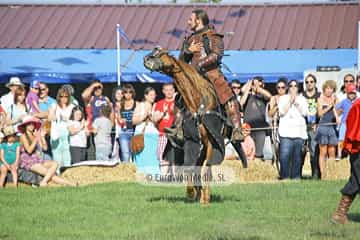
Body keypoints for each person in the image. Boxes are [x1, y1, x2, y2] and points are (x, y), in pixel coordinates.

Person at [178, 9, 243, 142]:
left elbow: (216, 55)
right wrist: (188, 51)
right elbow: (181, 61)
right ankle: (178, 127)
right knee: (180, 97)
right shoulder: (189, 39)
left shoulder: (213, 36)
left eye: (191, 19)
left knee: (227, 95)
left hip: (211, 74)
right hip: (193, 77)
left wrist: (199, 65)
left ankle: (237, 129)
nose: (188, 22)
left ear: (198, 20)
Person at [18, 116, 76, 187]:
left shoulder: (35, 135)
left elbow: (45, 148)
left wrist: (42, 137)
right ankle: (70, 184)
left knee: (55, 164)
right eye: (29, 124)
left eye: (32, 124)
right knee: (49, 173)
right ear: (25, 126)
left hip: (38, 160)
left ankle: (43, 182)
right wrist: (36, 138)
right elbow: (29, 150)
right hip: (28, 161)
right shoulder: (23, 136)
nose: (31, 126)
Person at [331, 98, 360, 224]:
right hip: (358, 149)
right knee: (356, 179)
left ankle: (340, 214)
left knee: (355, 180)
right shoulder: (358, 105)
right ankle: (340, 214)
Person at [278, 80, 308, 179]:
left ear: (298, 87)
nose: (293, 87)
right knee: (284, 157)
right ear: (288, 87)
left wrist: (296, 102)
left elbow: (304, 113)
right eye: (291, 86)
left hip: (299, 133)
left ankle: (296, 177)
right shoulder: (282, 98)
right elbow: (281, 112)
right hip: (285, 133)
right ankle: (285, 177)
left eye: (295, 86)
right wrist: (290, 101)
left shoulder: (303, 99)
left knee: (297, 158)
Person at [240, 76, 272, 159]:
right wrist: (249, 85)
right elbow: (241, 102)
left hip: (260, 130)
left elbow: (269, 96)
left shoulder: (263, 96)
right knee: (246, 154)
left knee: (258, 153)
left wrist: (258, 88)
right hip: (247, 130)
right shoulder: (247, 96)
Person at [132, 87, 160, 174]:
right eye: (151, 95)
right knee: (142, 156)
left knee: (153, 157)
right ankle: (142, 174)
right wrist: (145, 115)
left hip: (153, 135)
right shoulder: (141, 105)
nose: (153, 97)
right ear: (146, 96)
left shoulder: (155, 106)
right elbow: (134, 121)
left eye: (154, 95)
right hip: (142, 135)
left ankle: (154, 175)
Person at [315, 80, 340, 178]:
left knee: (332, 151)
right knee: (323, 152)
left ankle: (332, 174)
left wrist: (335, 107)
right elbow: (320, 113)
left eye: (331, 89)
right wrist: (329, 106)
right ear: (324, 89)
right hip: (323, 126)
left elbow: (338, 112)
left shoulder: (335, 98)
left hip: (332, 126)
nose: (329, 91)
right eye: (327, 88)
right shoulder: (320, 99)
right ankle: (323, 174)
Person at [48, 87, 75, 171]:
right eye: (61, 96)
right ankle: (57, 174)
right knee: (57, 157)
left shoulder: (72, 106)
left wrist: (66, 119)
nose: (63, 98)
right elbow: (49, 118)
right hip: (56, 134)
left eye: (66, 96)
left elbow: (75, 119)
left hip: (67, 134)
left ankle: (67, 174)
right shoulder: (54, 105)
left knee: (67, 156)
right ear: (58, 97)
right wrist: (53, 115)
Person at [153, 83, 176, 174]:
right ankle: (163, 176)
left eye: (171, 90)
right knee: (162, 156)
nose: (169, 92)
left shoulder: (178, 103)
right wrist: (163, 112)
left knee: (176, 157)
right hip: (163, 134)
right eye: (166, 90)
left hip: (176, 134)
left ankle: (176, 177)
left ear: (174, 90)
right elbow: (154, 119)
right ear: (163, 91)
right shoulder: (159, 103)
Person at [303, 74, 321, 179]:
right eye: (307, 82)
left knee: (314, 151)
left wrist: (318, 124)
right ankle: (298, 175)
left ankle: (315, 174)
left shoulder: (319, 95)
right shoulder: (302, 96)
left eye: (311, 81)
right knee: (301, 151)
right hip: (303, 126)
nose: (309, 84)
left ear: (315, 83)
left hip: (315, 126)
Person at [336, 83, 358, 160]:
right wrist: (337, 117)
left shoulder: (358, 101)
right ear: (347, 94)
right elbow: (335, 108)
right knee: (341, 139)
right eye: (350, 93)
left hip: (354, 124)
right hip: (344, 123)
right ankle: (339, 154)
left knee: (353, 140)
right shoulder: (344, 101)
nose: (351, 95)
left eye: (353, 93)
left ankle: (351, 154)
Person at [118, 84, 137, 162]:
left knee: (135, 154)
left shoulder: (137, 104)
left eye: (130, 92)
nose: (128, 94)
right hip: (124, 132)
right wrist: (121, 120)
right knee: (125, 154)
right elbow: (119, 118)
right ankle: (126, 172)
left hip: (134, 131)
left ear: (133, 93)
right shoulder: (120, 104)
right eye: (125, 92)